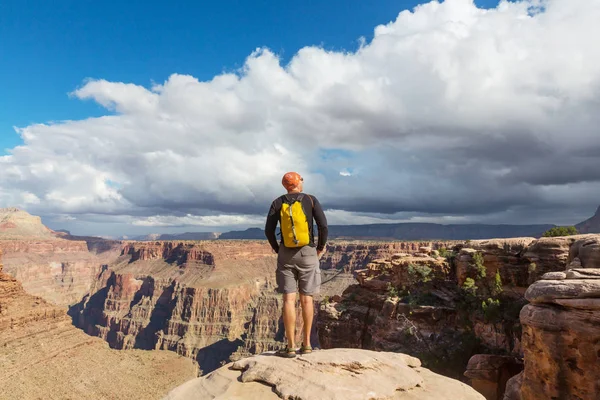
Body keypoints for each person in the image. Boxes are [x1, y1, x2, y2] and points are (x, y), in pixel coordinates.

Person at [265, 171, 328, 358]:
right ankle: (307, 344)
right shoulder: (310, 199)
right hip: (308, 252)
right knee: (307, 299)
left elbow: (268, 230)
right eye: (301, 179)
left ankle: (290, 346)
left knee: (288, 300)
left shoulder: (277, 202)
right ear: (298, 182)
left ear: (285, 185)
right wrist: (320, 248)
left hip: (286, 253)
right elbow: (323, 226)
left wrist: (278, 249)